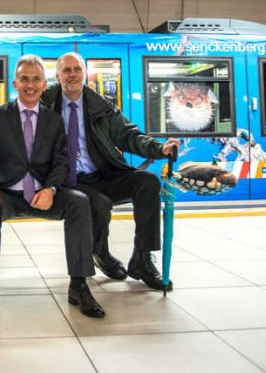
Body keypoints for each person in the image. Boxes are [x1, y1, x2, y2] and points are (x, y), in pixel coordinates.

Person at [0, 54, 104, 325]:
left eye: (36, 79)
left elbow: (61, 160)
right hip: (7, 192)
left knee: (79, 202)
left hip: (43, 192)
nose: (30, 85)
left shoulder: (54, 120)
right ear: (14, 83)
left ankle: (78, 285)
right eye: (24, 79)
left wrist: (52, 188)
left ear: (44, 84)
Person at [42, 52, 179, 291]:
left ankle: (142, 259)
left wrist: (160, 148)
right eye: (66, 70)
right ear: (57, 75)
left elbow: (128, 135)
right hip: (69, 179)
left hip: (104, 173)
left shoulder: (101, 105)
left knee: (147, 182)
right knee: (99, 204)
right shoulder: (46, 103)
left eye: (77, 70)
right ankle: (101, 252)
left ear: (85, 73)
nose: (72, 75)